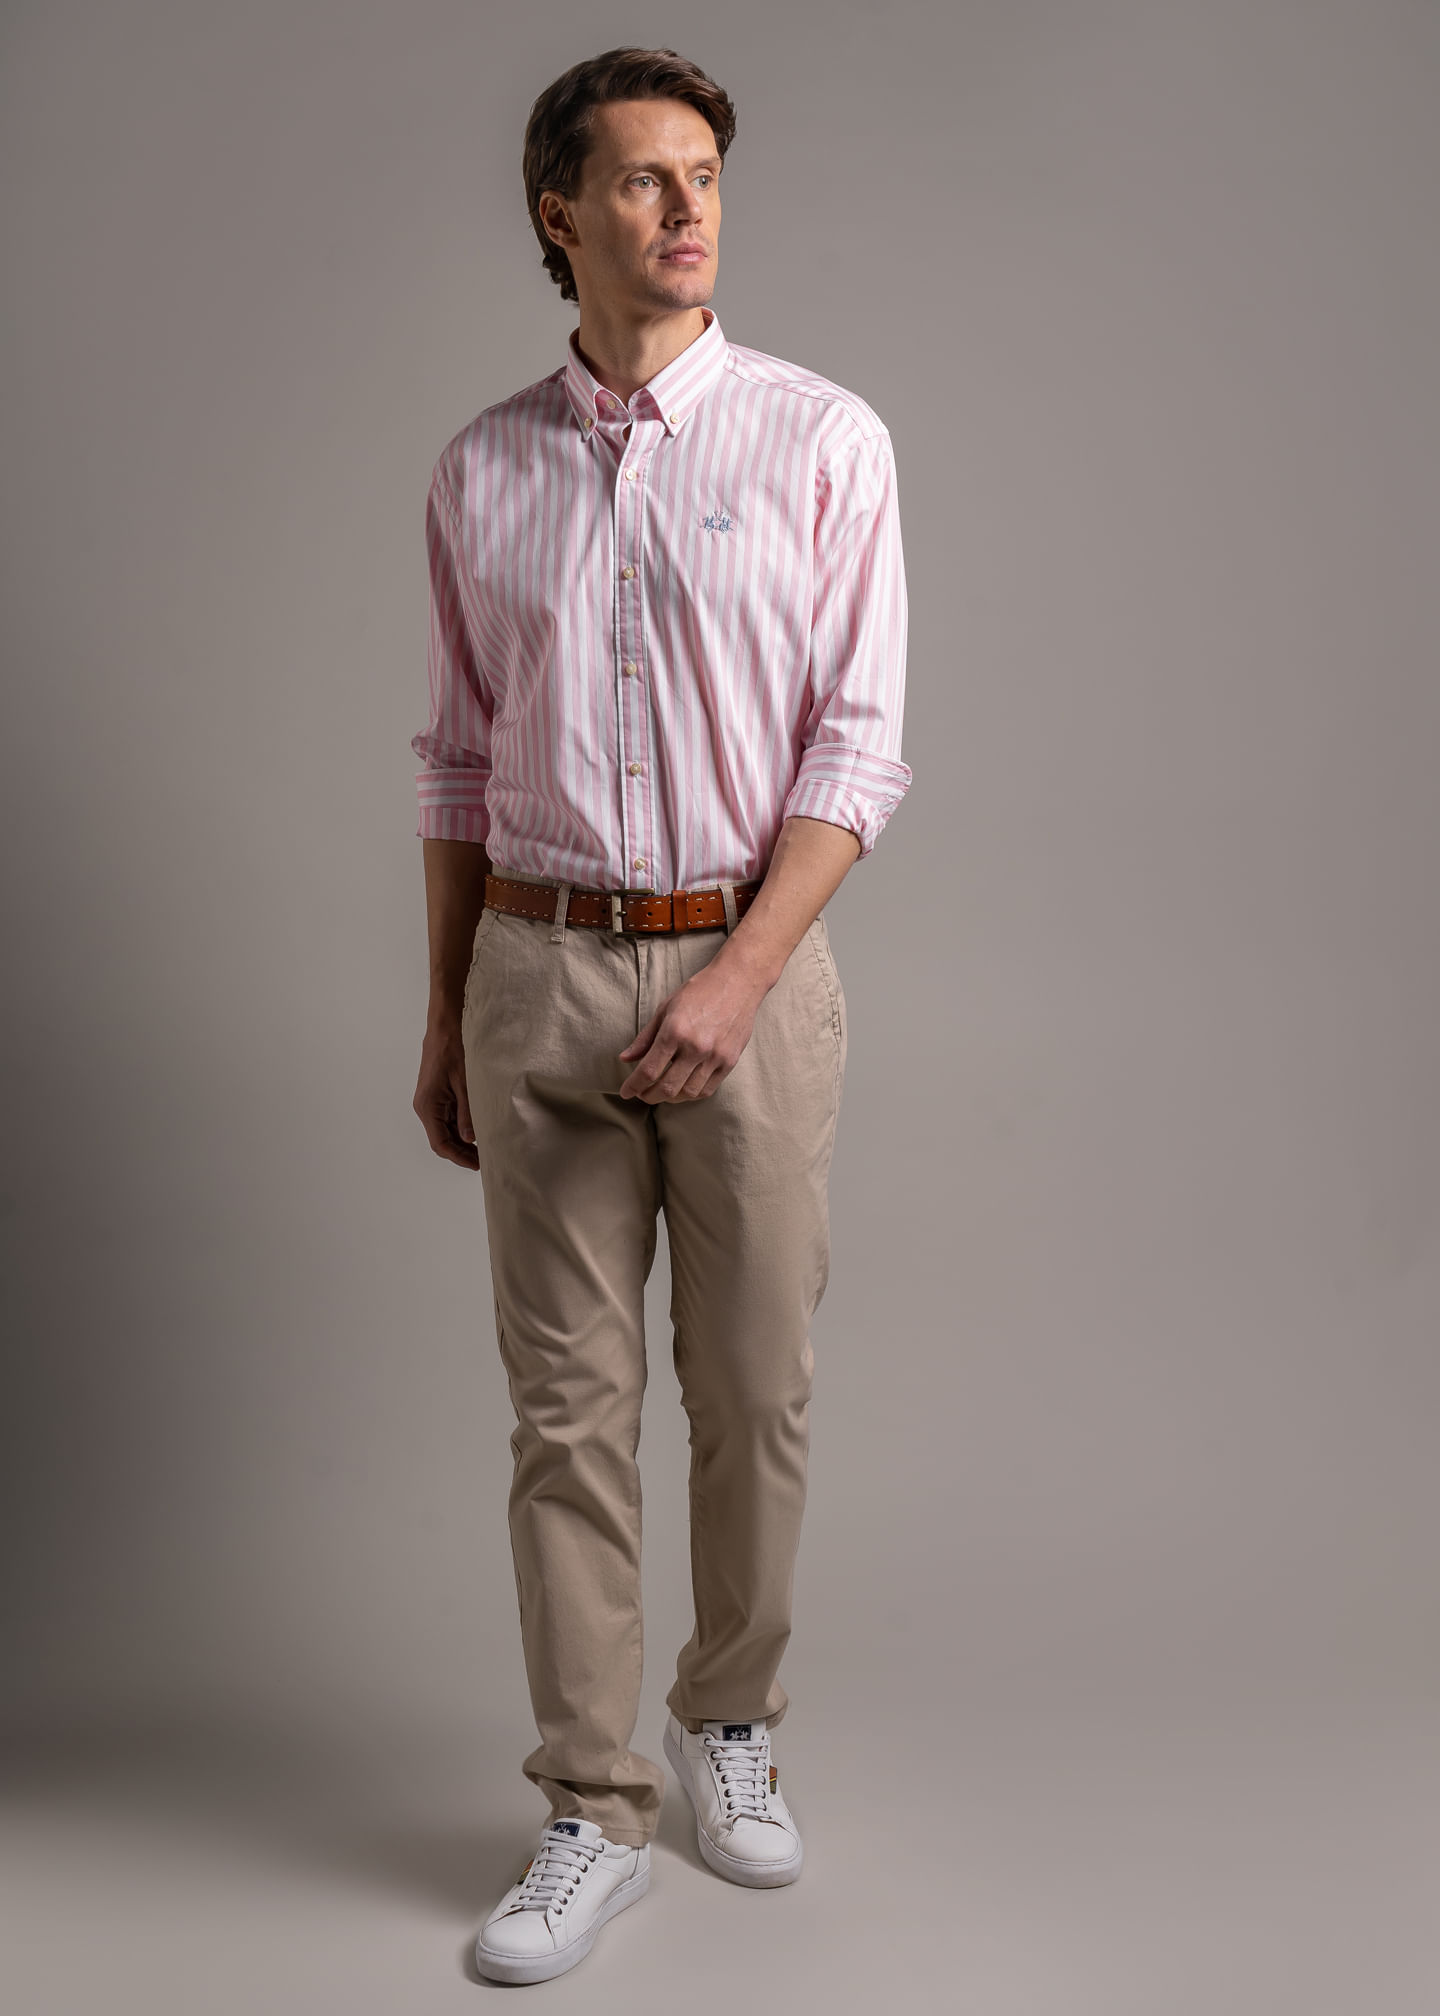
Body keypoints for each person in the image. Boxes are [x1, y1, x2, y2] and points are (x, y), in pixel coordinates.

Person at [410, 45, 912, 1986]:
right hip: (534, 970)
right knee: (565, 1417)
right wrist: (445, 1008)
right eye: (641, 178)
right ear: (563, 215)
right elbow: (457, 764)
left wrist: (738, 976)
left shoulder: (821, 440)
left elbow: (856, 748)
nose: (686, 207)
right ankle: (590, 1809)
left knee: (754, 1389)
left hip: (749, 971)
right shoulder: (480, 469)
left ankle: (730, 1719)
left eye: (704, 173)